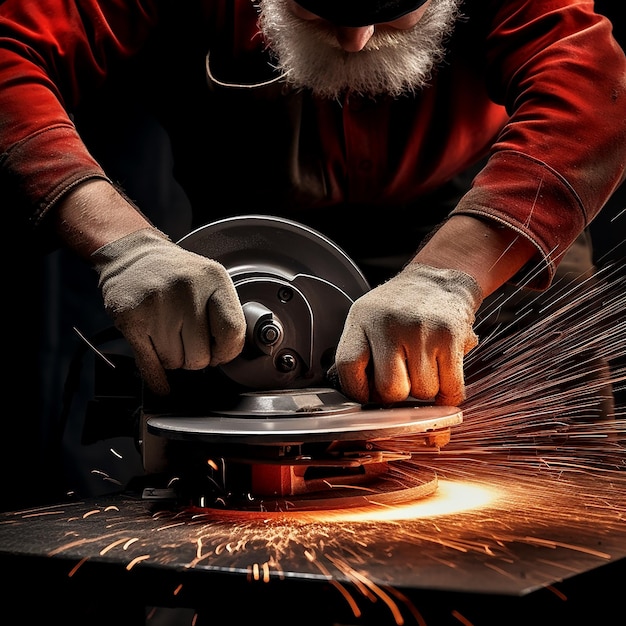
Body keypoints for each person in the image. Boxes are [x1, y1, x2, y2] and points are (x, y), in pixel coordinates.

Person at [2, 0, 625, 414]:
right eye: (314, 2)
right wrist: (123, 247)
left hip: (484, 203)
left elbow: (595, 90)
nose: (355, 38)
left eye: (395, 9)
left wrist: (450, 275)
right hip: (258, 236)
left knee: (548, 468)